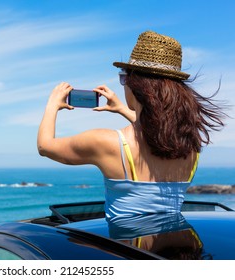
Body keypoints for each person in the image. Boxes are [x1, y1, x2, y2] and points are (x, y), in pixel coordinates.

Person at [37, 31, 226, 218]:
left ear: (135, 83)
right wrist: (122, 109)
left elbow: (45, 146)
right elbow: (159, 130)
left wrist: (52, 104)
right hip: (173, 245)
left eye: (123, 77)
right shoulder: (191, 146)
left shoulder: (106, 143)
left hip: (125, 247)